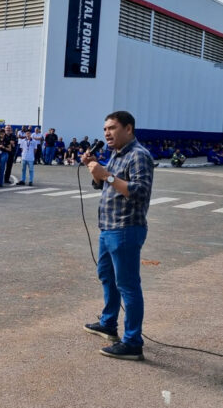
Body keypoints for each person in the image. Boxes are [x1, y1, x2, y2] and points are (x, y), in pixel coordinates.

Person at [82, 111, 153, 361]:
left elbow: (138, 192)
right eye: (104, 130)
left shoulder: (139, 156)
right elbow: (101, 184)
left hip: (126, 229)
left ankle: (133, 341)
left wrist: (107, 175)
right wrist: (95, 169)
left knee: (128, 285)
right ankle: (108, 323)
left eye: (112, 128)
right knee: (107, 276)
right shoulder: (115, 154)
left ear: (129, 129)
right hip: (108, 228)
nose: (107, 133)